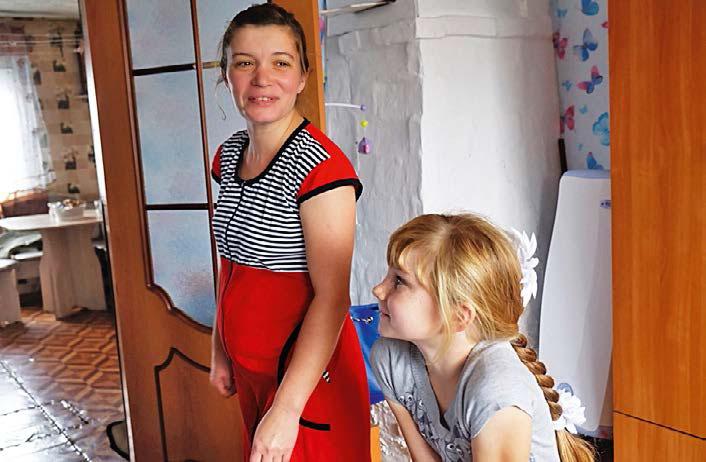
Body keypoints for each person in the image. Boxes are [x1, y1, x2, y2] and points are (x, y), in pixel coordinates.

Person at [208, 4, 370, 461]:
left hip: (306, 384)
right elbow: (230, 263)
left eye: (281, 63)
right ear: (227, 76)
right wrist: (220, 346)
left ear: (302, 77)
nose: (262, 78)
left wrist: (286, 409)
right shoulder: (229, 155)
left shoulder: (322, 170)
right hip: (253, 372)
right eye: (245, 63)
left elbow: (332, 298)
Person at [371, 213, 595, 461]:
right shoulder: (391, 359)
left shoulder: (496, 390)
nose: (378, 289)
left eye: (399, 281)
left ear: (458, 316)